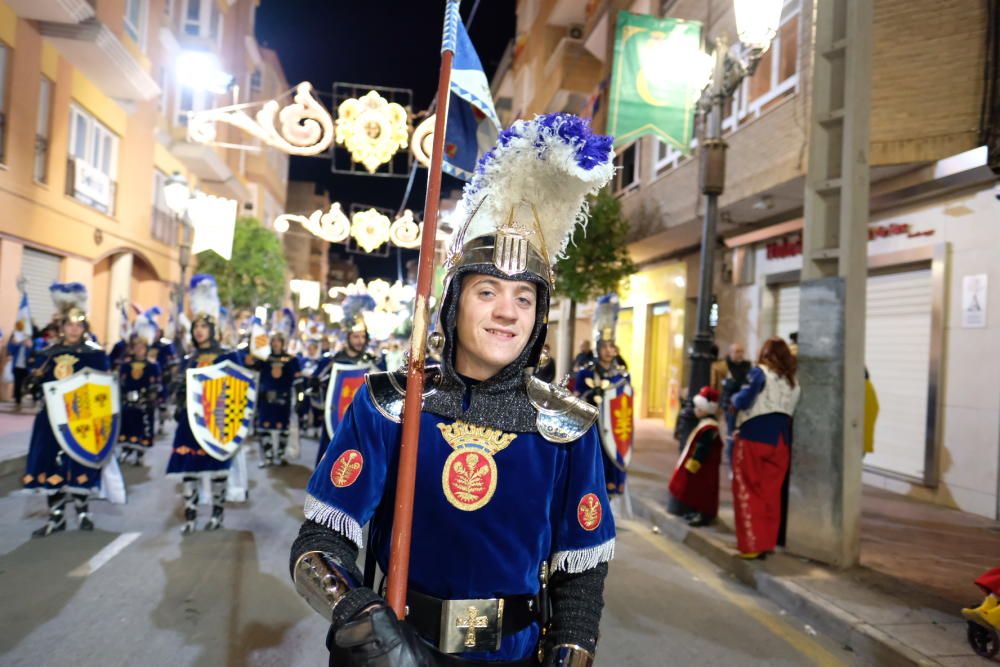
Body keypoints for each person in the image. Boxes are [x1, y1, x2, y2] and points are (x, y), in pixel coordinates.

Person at [290, 113, 616, 666]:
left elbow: (580, 572)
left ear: (538, 319)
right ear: (453, 303)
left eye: (523, 299)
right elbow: (319, 545)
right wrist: (361, 620)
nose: (506, 313)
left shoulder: (565, 425)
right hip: (401, 649)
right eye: (487, 291)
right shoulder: (390, 405)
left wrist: (571, 651)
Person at [22, 283, 110, 537]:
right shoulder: (48, 354)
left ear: (84, 327)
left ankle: (83, 512)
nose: (73, 328)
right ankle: (56, 517)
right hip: (50, 418)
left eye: (78, 324)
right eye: (69, 324)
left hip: (81, 418)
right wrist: (34, 380)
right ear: (62, 326)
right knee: (50, 463)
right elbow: (36, 384)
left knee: (79, 461)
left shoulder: (94, 355)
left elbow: (104, 388)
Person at [165, 275, 241, 534]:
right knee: (189, 469)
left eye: (204, 326)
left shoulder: (228, 356)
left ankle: (217, 515)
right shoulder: (190, 358)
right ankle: (190, 516)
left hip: (217, 419)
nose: (199, 330)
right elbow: (180, 385)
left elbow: (239, 388)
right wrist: (176, 398)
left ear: (212, 329)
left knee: (217, 467)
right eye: (195, 326)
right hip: (189, 420)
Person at [730, 337, 801, 559]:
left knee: (747, 490)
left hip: (754, 436)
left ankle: (751, 545)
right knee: (771, 494)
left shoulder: (759, 373)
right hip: (781, 441)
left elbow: (742, 401)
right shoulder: (793, 382)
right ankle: (766, 542)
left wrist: (733, 397)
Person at [575, 294, 632, 496]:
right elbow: (576, 400)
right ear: (598, 348)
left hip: (612, 432)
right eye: (605, 346)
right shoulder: (586, 372)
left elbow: (626, 400)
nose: (609, 350)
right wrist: (591, 395)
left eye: (612, 346)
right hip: (593, 430)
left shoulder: (622, 375)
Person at [312, 315, 386, 466]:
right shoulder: (332, 362)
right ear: (347, 338)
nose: (360, 341)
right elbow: (316, 386)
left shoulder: (372, 363)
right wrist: (315, 384)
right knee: (329, 463)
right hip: (336, 422)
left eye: (363, 336)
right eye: (355, 336)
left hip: (363, 424)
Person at [668, 387, 723, 527]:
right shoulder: (705, 424)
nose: (695, 411)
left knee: (703, 492)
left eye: (698, 408)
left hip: (704, 468)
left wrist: (695, 461)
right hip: (701, 467)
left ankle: (703, 515)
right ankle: (696, 511)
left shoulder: (709, 427)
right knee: (697, 491)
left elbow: (703, 446)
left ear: (706, 410)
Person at [245, 332, 301, 467]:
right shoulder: (264, 359)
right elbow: (251, 366)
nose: (276, 343)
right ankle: (268, 457)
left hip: (284, 399)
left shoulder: (291, 360)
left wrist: (300, 398)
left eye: (278, 340)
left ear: (282, 343)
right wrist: (250, 356)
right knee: (264, 428)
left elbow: (298, 379)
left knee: (283, 428)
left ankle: (280, 456)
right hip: (266, 399)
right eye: (273, 340)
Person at [117, 334, 161, 466]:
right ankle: (126, 449)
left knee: (142, 427)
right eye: (136, 347)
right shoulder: (126, 365)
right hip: (129, 401)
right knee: (127, 426)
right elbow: (121, 382)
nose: (139, 350)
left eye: (142, 347)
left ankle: (140, 452)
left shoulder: (152, 365)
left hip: (144, 402)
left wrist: (152, 397)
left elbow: (156, 383)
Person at [710, 343, 752, 465]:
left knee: (741, 431)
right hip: (729, 404)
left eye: (741, 351)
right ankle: (731, 458)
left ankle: (739, 456)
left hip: (745, 404)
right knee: (731, 431)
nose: (739, 354)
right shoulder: (721, 366)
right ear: (730, 352)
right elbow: (714, 385)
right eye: (737, 351)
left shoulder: (747, 366)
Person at [6, 320, 33, 408]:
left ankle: (31, 396)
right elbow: (10, 350)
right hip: (17, 366)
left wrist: (29, 346)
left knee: (27, 383)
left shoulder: (28, 342)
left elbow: (32, 353)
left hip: (26, 367)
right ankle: (18, 400)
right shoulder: (16, 341)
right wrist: (15, 343)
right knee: (17, 383)